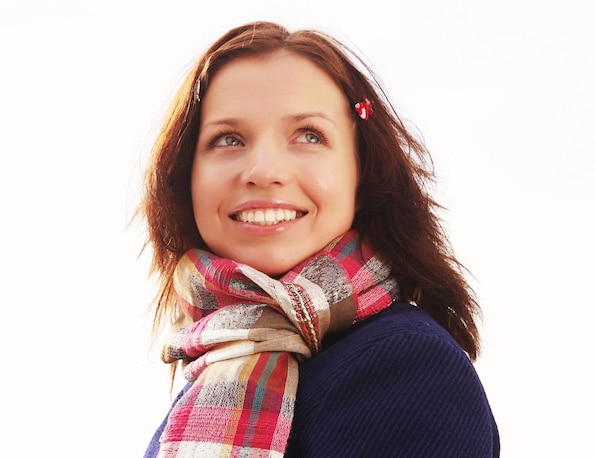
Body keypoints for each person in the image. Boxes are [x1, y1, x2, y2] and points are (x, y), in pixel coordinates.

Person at [138, 21, 500, 457]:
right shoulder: (212, 375)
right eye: (228, 139)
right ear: (186, 180)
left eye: (309, 135)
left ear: (362, 174)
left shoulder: (406, 366)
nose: (264, 170)